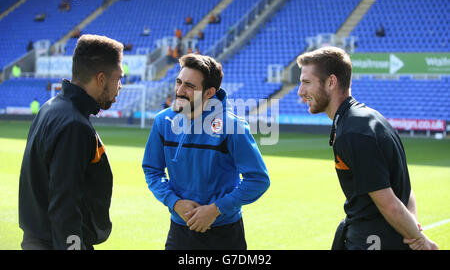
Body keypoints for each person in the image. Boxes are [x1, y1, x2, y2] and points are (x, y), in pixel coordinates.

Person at [296, 46, 439, 250]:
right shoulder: (372, 118)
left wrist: (421, 241)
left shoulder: (353, 133)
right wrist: (414, 230)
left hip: (373, 241)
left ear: (331, 82)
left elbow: (389, 202)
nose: (301, 92)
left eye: (306, 82)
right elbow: (405, 188)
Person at [142, 54, 270, 250]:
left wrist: (216, 209)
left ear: (209, 93)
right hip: (180, 231)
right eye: (178, 82)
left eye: (190, 86)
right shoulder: (163, 121)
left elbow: (258, 179)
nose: (180, 90)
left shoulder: (232, 126)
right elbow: (152, 170)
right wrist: (174, 202)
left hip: (225, 235)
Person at [18, 34, 124, 250]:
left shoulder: (51, 107)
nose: (120, 87)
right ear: (101, 79)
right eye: (118, 78)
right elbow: (65, 205)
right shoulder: (74, 124)